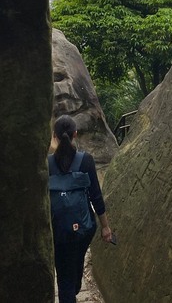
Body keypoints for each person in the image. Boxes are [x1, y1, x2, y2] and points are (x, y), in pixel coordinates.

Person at [48, 115, 113, 303]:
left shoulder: (48, 164)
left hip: (58, 230)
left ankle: (70, 288)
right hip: (83, 229)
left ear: (55, 135)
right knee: (75, 264)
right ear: (75, 134)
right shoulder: (86, 161)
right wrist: (105, 227)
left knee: (65, 274)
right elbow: (96, 196)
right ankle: (74, 285)